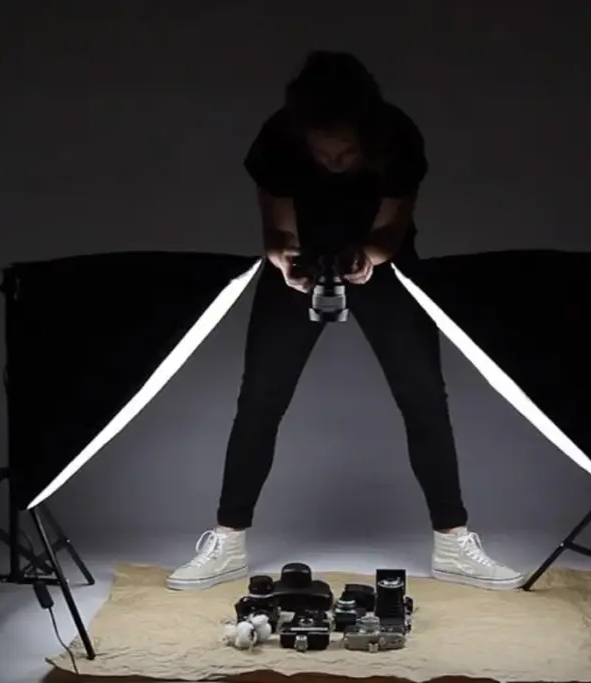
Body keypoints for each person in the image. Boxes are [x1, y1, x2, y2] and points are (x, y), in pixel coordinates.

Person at [167, 51, 525, 591]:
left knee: (424, 396)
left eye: (347, 153)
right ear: (303, 136)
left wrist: (370, 257)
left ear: (368, 136)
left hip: (384, 257)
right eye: (321, 152)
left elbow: (393, 226)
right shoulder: (279, 138)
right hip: (300, 261)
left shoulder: (399, 136)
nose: (334, 163)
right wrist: (287, 261)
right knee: (260, 399)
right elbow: (276, 230)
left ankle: (454, 544)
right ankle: (228, 542)